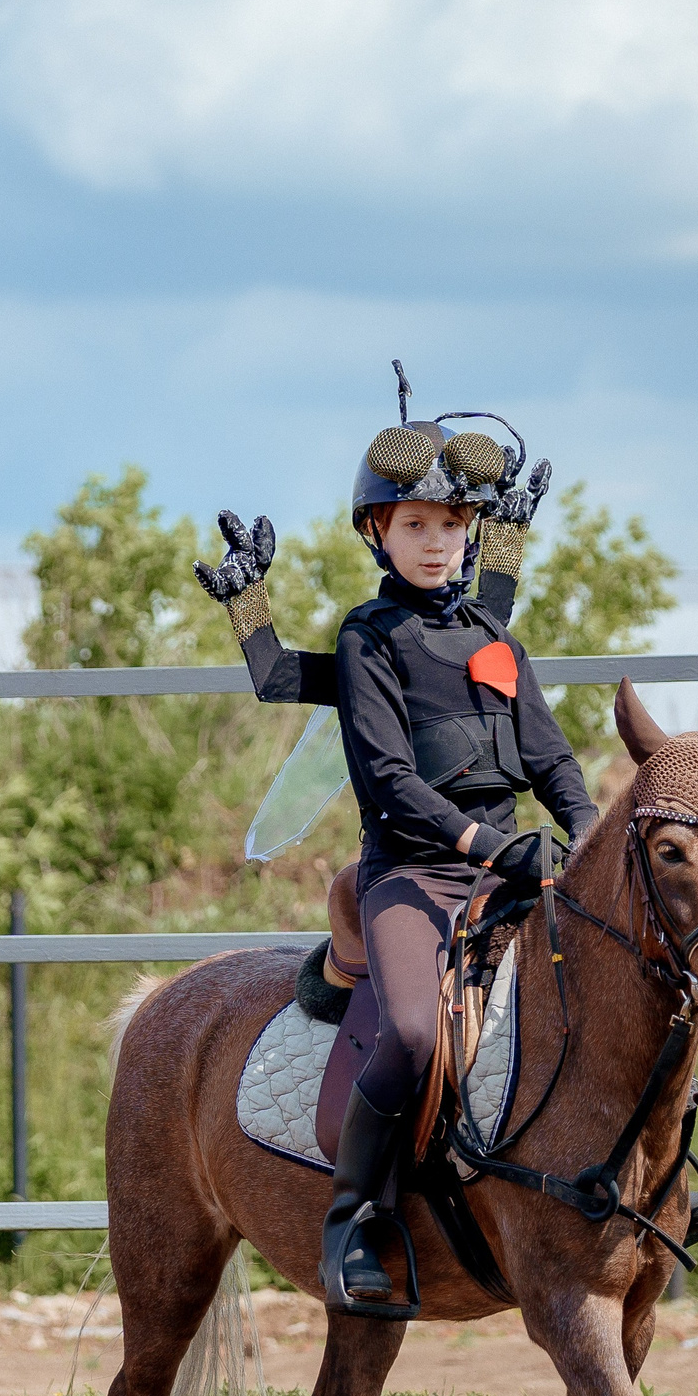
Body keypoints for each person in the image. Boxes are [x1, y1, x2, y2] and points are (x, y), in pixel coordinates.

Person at [196, 372, 600, 1314]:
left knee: (618, 990)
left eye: (453, 525)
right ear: (379, 532)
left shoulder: (496, 639)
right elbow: (389, 783)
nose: (437, 542)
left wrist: (583, 833)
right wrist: (495, 850)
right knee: (415, 1032)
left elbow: (551, 755)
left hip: (516, 875)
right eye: (416, 525)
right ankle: (355, 1219)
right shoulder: (366, 638)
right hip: (415, 874)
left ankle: (646, 1187)